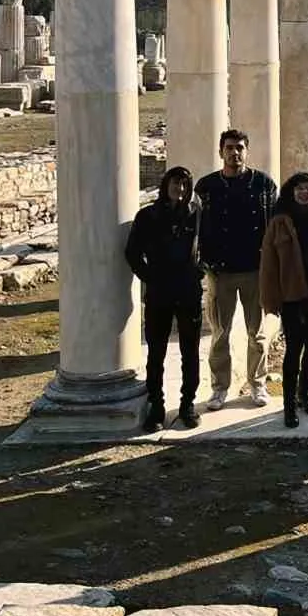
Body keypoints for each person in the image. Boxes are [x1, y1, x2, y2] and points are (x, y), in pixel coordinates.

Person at [195, 129, 279, 410]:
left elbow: (274, 225)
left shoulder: (264, 184)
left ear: (247, 150)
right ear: (221, 151)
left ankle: (257, 384)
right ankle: (219, 388)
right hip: (221, 272)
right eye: (229, 148)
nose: (235, 153)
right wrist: (203, 264)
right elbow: (198, 228)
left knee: (258, 332)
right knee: (220, 332)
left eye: (240, 147)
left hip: (256, 269)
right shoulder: (206, 187)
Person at [124, 166, 204, 431]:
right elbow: (132, 253)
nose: (179, 190)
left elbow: (209, 242)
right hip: (159, 292)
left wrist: (200, 270)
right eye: (175, 183)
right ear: (165, 185)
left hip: (188, 290)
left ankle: (187, 405)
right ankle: (156, 407)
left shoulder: (196, 214)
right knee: (156, 352)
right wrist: (150, 276)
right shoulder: (147, 215)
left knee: (189, 351)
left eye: (184, 185)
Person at [259, 172, 308, 429]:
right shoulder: (280, 221)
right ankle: (289, 405)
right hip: (291, 294)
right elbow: (269, 263)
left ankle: (305, 394)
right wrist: (271, 299)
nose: (305, 193)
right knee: (293, 350)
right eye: (300, 188)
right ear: (292, 192)